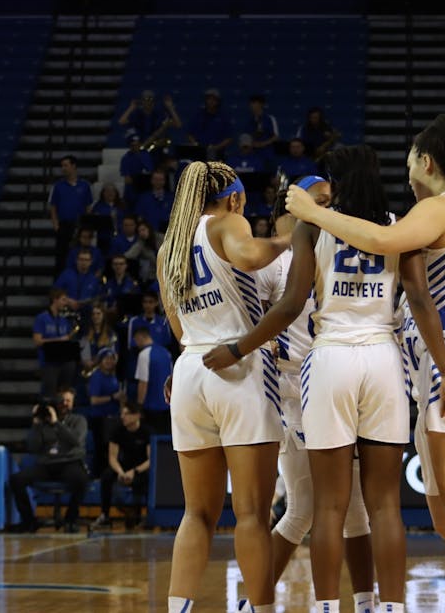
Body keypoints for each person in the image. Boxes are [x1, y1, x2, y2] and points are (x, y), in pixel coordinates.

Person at [284, 114, 445, 613]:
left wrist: (314, 213)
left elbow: (381, 240)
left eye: (412, 158)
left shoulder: (440, 207)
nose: (406, 168)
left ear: (428, 161)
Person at [206, 146, 445, 613]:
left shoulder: (313, 225)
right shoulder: (400, 224)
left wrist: (239, 346)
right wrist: (444, 370)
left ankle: (324, 608)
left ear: (336, 185)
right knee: (384, 504)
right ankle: (392, 607)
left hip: (330, 360)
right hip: (383, 360)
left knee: (329, 507)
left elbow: (290, 305)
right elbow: (421, 301)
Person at [155, 160, 290, 613]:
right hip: (239, 367)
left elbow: (177, 324)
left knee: (197, 513)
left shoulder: (169, 246)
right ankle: (262, 609)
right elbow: (250, 257)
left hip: (192, 368)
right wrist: (293, 239)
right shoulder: (228, 222)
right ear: (233, 198)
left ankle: (178, 608)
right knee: (251, 514)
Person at [241, 174, 377, 613]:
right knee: (303, 509)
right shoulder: (273, 257)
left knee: (349, 506)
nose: (328, 209)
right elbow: (242, 319)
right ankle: (256, 602)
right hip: (289, 389)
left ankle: (365, 601)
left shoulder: (333, 247)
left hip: (330, 383)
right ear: (292, 204)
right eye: (319, 201)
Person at [9, 389, 89, 533]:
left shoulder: (79, 420)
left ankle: (71, 519)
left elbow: (74, 441)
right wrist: (36, 424)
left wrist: (56, 423)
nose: (64, 404)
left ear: (73, 403)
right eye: (62, 400)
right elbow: (33, 447)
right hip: (47, 464)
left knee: (81, 479)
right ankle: (29, 521)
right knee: (17, 479)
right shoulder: (43, 422)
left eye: (68, 401)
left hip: (69, 462)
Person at [94, 402, 151, 530]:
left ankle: (142, 516)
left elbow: (151, 459)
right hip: (122, 467)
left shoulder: (146, 432)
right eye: (122, 414)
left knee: (146, 479)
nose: (122, 417)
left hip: (140, 468)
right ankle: (105, 515)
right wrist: (120, 472)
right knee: (106, 476)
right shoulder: (117, 431)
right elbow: (112, 457)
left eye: (126, 414)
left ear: (137, 416)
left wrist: (135, 471)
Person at [49, 155, 93, 274]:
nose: (63, 168)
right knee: (61, 256)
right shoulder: (58, 186)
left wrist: (87, 226)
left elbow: (88, 207)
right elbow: (53, 207)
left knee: (79, 254)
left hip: (79, 225)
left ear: (73, 166)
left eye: (66, 165)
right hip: (63, 225)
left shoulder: (84, 185)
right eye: (62, 166)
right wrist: (56, 225)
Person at [32, 289, 79, 397]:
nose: (65, 303)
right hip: (49, 363)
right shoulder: (42, 318)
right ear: (55, 300)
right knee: (50, 395)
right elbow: (37, 341)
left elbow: (67, 339)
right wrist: (59, 340)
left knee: (64, 394)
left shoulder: (64, 319)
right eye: (63, 300)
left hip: (64, 362)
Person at [85, 347, 122, 478]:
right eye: (106, 358)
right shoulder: (96, 376)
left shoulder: (113, 376)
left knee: (110, 450)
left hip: (112, 418)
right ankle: (97, 478)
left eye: (112, 359)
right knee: (100, 450)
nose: (109, 361)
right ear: (100, 361)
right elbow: (94, 400)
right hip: (99, 419)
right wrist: (113, 397)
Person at [132, 326, 174, 435]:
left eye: (136, 341)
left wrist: (139, 406)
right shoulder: (166, 353)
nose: (136, 344)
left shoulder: (144, 354)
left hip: (151, 406)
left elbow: (143, 383)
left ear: (140, 337)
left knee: (152, 438)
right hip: (168, 405)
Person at [186, 88, 233, 161]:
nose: (211, 102)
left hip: (217, 152)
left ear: (218, 101)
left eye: (213, 99)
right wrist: (197, 145)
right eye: (209, 99)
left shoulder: (223, 117)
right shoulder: (198, 115)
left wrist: (215, 148)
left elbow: (229, 138)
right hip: (200, 151)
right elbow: (189, 134)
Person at [120, 128, 154, 206]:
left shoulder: (146, 155)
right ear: (129, 145)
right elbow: (127, 180)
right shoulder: (125, 158)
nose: (136, 146)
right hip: (133, 190)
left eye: (137, 144)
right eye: (133, 144)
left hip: (147, 189)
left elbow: (151, 172)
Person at [242, 94, 279, 167]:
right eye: (251, 103)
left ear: (261, 104)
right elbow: (246, 136)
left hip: (267, 153)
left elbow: (276, 137)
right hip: (253, 153)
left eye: (255, 103)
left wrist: (263, 144)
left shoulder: (270, 119)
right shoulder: (249, 121)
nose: (252, 106)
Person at [135, 169, 175, 233]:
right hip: (149, 234)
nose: (158, 182)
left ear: (164, 181)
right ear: (151, 180)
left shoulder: (172, 198)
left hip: (168, 234)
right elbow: (139, 217)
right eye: (156, 179)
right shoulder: (143, 198)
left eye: (160, 180)